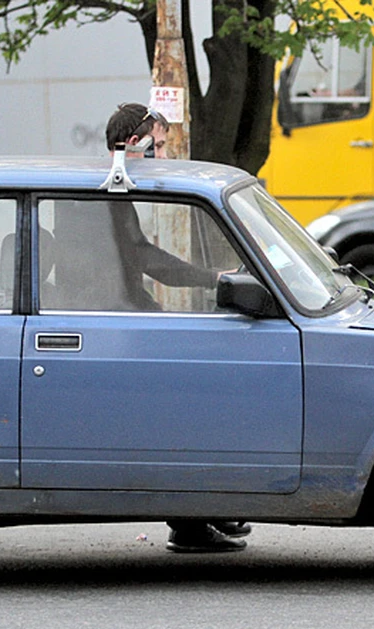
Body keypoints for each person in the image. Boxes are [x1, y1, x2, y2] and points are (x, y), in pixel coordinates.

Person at [104, 102, 253, 553]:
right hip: (115, 324)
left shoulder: (112, 185)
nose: (165, 155)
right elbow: (143, 257)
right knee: (185, 407)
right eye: (160, 146)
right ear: (135, 144)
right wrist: (213, 279)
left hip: (121, 315)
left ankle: (200, 510)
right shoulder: (108, 187)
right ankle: (190, 522)